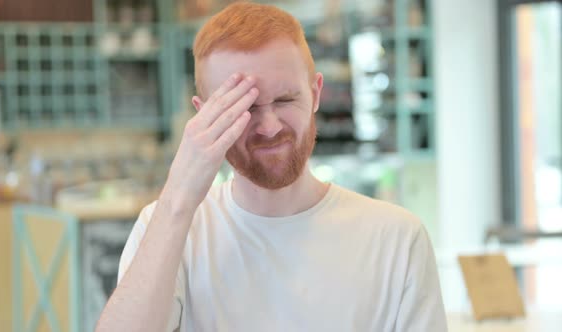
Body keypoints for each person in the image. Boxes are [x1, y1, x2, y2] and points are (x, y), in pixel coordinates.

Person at [96, 2, 447, 331]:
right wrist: (177, 198)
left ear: (316, 93)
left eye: (285, 99)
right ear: (205, 113)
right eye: (243, 107)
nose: (270, 126)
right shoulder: (170, 229)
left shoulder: (397, 239)